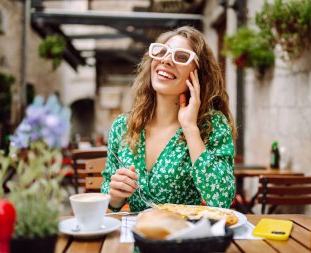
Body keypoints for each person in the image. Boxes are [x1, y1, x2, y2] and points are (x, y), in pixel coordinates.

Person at [101, 26, 236, 212]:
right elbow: (109, 201)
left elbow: (222, 200)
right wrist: (114, 196)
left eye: (181, 57)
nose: (166, 60)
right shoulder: (122, 126)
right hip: (136, 236)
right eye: (162, 52)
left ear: (199, 74)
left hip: (185, 237)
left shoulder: (211, 125)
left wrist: (190, 128)